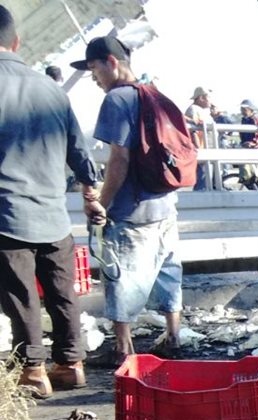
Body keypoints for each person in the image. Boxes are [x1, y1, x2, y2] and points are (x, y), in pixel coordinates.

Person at [0, 6, 104, 398]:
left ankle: (32, 371)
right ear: (16, 42)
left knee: (21, 295)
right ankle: (71, 365)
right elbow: (79, 151)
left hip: (7, 214)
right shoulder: (51, 89)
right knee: (62, 292)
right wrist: (90, 192)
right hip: (53, 214)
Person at [72, 35, 184, 362]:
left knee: (119, 275)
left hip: (132, 211)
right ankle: (173, 336)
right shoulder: (154, 94)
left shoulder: (117, 99)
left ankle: (123, 348)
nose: (94, 78)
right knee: (168, 271)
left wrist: (101, 204)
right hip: (165, 204)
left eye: (94, 69)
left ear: (111, 62)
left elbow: (119, 159)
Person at [184, 86, 215, 190]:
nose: (210, 100)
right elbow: (192, 131)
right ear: (201, 98)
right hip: (202, 150)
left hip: (209, 150)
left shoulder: (203, 111)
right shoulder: (193, 109)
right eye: (209, 97)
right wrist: (198, 148)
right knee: (202, 181)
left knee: (208, 181)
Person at [237, 100, 258, 190]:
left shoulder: (255, 120)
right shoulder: (243, 120)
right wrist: (243, 142)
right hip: (246, 147)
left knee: (257, 172)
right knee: (245, 168)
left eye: (244, 109)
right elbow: (242, 133)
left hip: (255, 148)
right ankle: (248, 181)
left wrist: (253, 143)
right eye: (241, 109)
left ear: (250, 110)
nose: (242, 111)